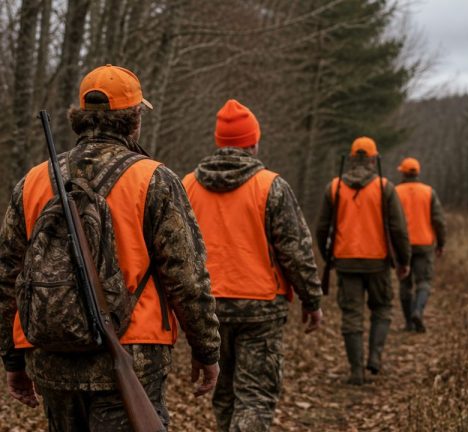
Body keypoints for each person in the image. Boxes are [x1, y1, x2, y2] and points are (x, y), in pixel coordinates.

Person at [0, 64, 220, 430]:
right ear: (135, 120)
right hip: (135, 354)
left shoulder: (34, 181)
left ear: (81, 119)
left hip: (53, 357)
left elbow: (8, 277)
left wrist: (12, 359)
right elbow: (187, 277)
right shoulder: (154, 179)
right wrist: (206, 350)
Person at [183, 99, 323, 431]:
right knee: (256, 397)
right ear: (254, 142)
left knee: (225, 394)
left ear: (218, 141)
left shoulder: (187, 184)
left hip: (207, 308)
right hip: (260, 309)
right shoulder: (271, 185)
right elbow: (296, 250)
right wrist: (312, 300)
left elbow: (176, 252)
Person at [316, 137, 411, 385]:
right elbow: (398, 230)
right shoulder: (385, 187)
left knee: (351, 315)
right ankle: (375, 358)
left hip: (345, 263)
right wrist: (403, 261)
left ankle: (356, 370)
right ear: (372, 159)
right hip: (378, 263)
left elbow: (321, 228)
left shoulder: (334, 187)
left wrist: (329, 258)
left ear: (350, 158)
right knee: (382, 308)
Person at [395, 157, 447, 333]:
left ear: (402, 172)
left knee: (405, 284)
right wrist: (441, 243)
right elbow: (439, 221)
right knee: (424, 281)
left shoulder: (394, 192)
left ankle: (409, 322)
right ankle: (418, 311)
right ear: (417, 173)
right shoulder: (428, 192)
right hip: (424, 245)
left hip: (402, 245)